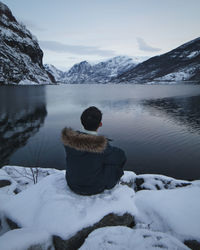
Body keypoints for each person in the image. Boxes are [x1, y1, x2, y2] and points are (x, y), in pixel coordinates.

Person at [61, 106, 126, 195]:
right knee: (114, 161)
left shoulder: (69, 141)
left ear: (82, 122)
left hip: (72, 184)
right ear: (100, 124)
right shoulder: (102, 147)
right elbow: (121, 156)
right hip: (94, 188)